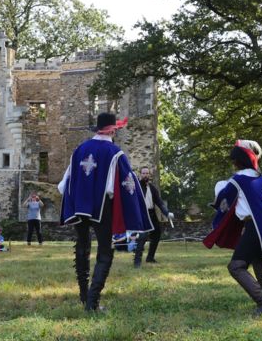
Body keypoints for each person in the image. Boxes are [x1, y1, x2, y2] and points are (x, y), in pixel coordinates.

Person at [58, 112, 154, 311]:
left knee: (82, 246)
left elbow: (64, 183)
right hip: (102, 208)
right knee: (105, 251)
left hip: (79, 207)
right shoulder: (114, 153)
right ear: (112, 130)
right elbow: (128, 184)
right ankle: (92, 303)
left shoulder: (79, 150)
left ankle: (85, 296)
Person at [203, 140, 262, 317]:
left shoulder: (238, 179)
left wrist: (219, 190)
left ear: (237, 161)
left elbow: (223, 202)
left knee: (235, 266)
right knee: (257, 259)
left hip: (255, 225)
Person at [133, 167, 175, 267]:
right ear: (140, 174)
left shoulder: (152, 188)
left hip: (151, 214)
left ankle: (150, 257)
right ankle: (137, 261)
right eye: (143, 173)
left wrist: (167, 213)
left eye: (147, 173)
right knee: (142, 236)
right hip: (142, 214)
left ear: (149, 175)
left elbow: (159, 202)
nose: (145, 175)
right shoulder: (136, 187)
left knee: (156, 234)